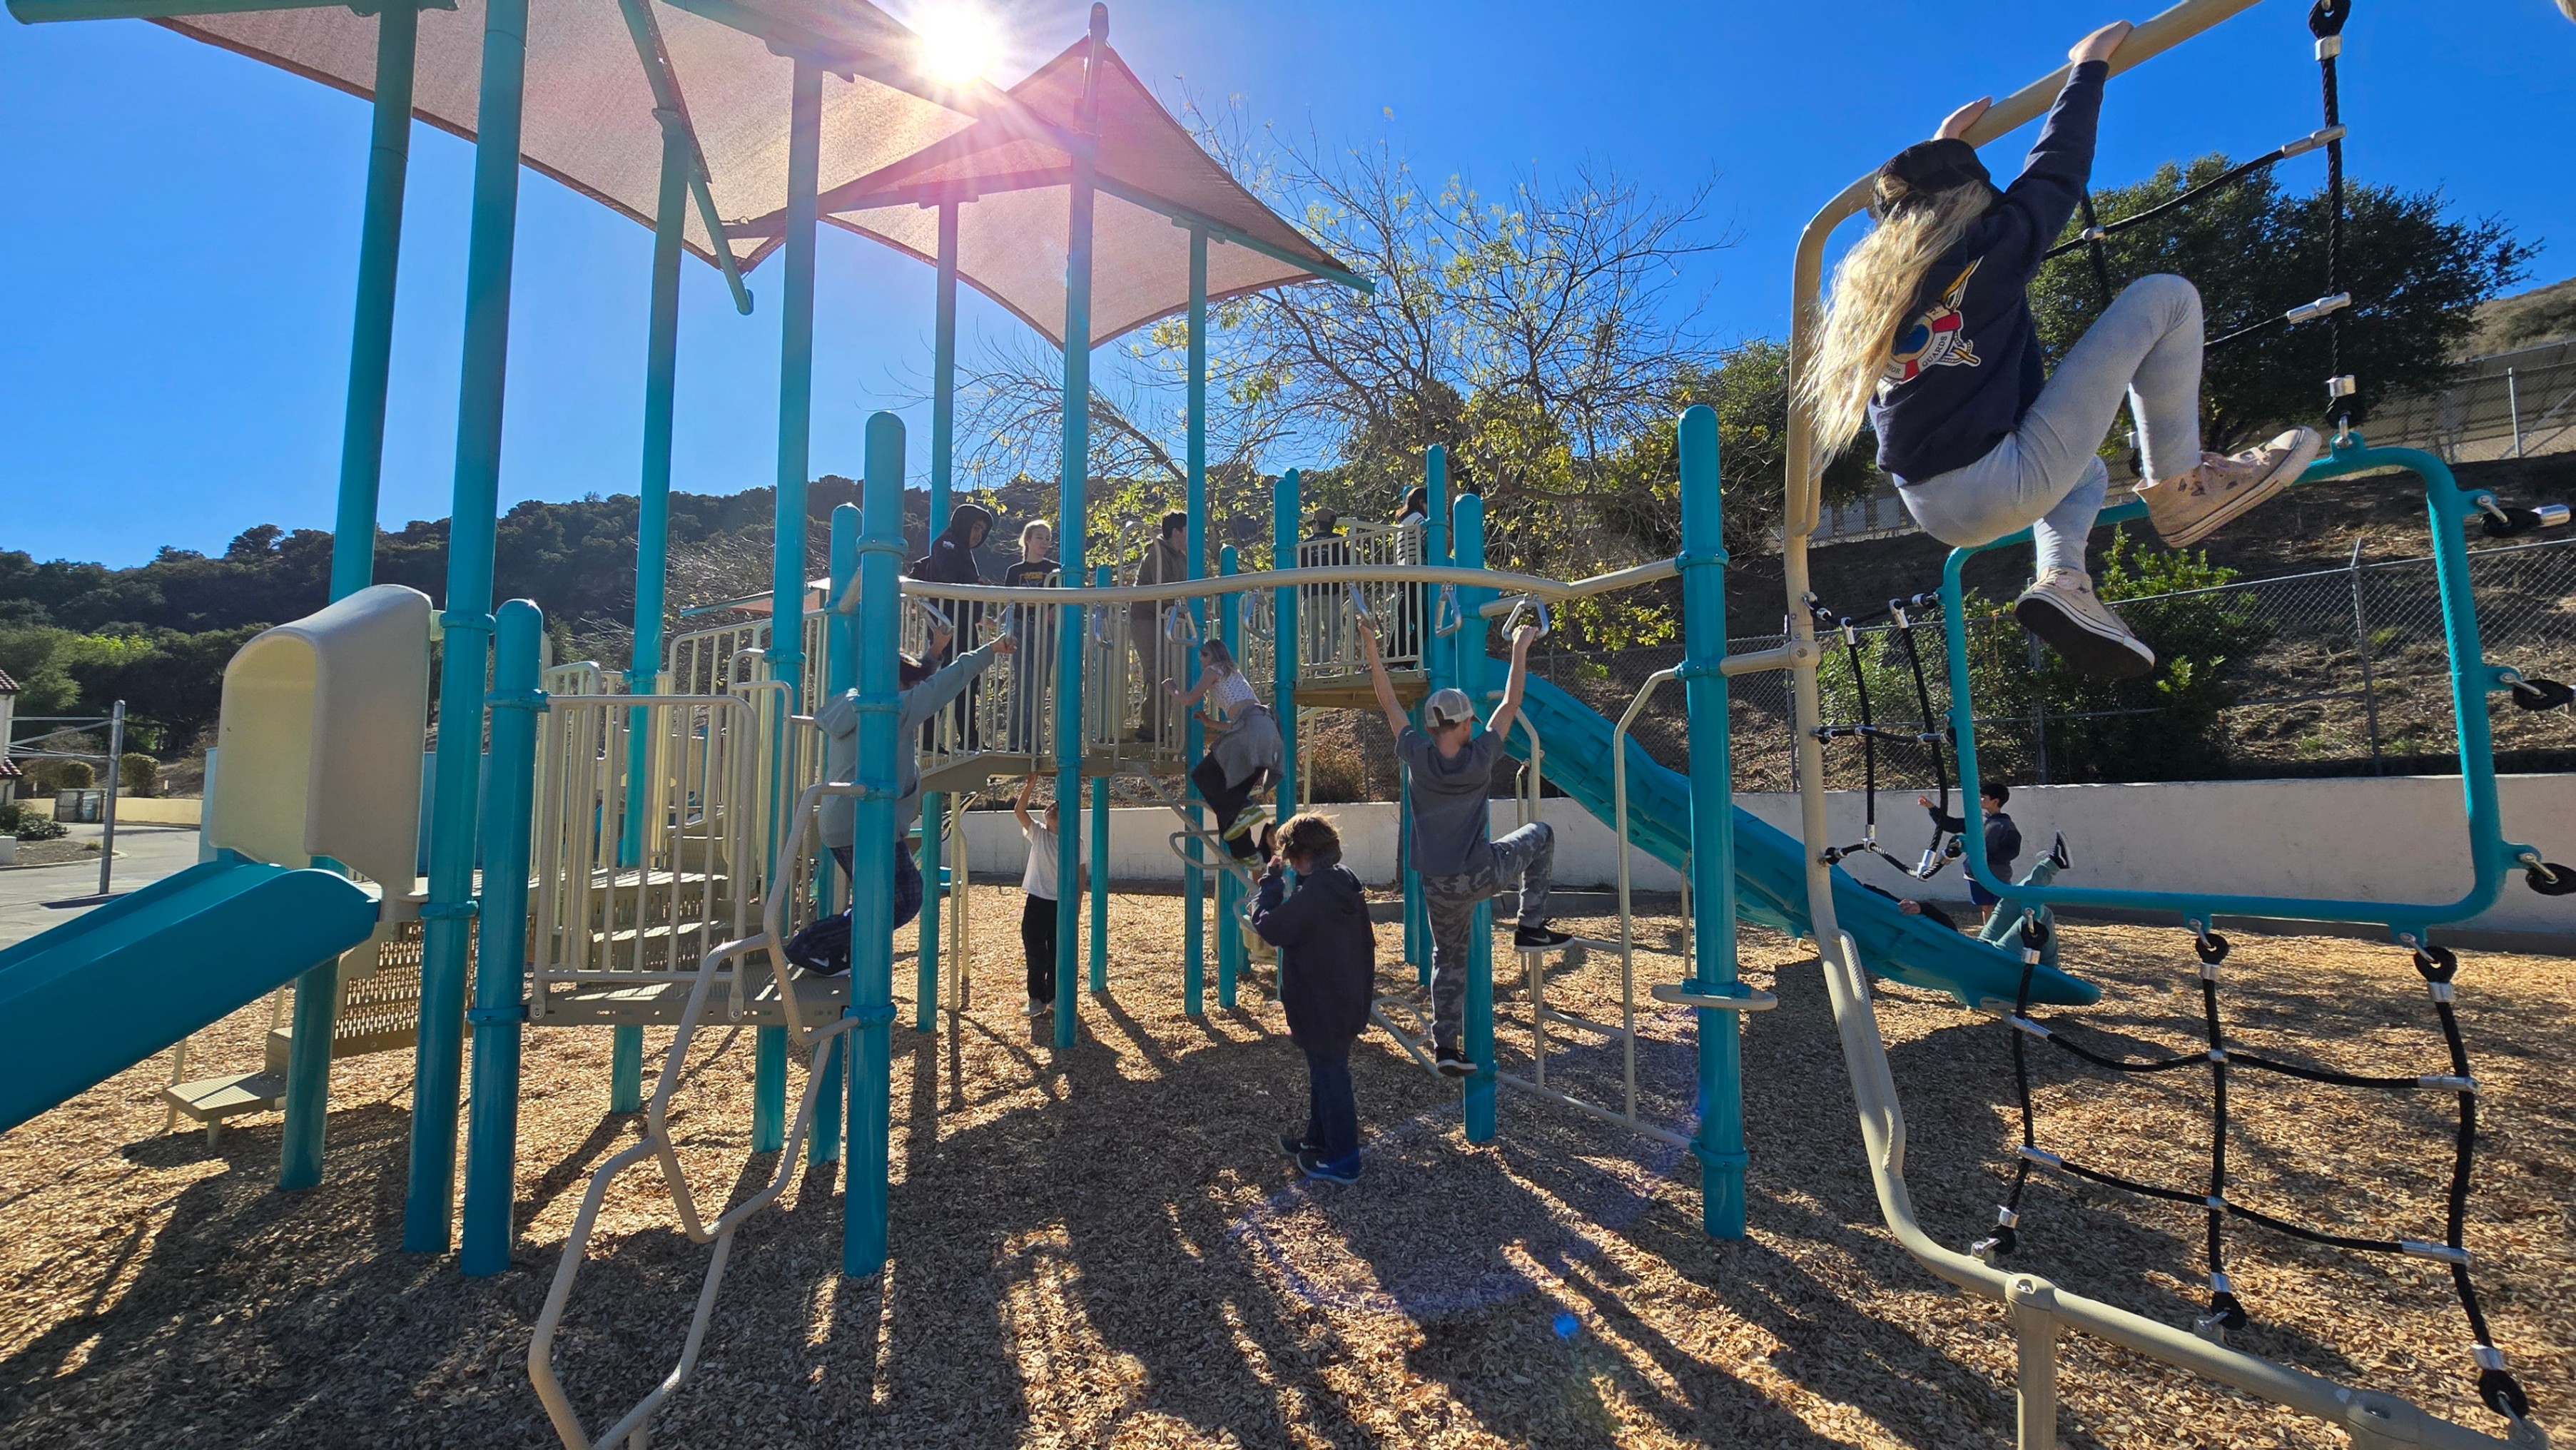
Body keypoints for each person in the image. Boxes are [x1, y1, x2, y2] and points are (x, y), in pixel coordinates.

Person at [1799, 19, 2320, 683]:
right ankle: (2183, 486)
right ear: (1971, 203)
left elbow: (1924, 202)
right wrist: (2087, 69)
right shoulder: (1989, 246)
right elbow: (2056, 172)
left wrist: (1942, 147)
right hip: (2000, 477)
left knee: (2087, 475)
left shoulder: (1876, 298)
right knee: (2166, 298)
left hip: (1930, 507)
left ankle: (2064, 581)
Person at [1360, 616, 1570, 1078]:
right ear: (1459, 726)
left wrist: (1372, 648)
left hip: (1437, 886)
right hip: (1480, 873)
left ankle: (1446, 1048)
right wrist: (1520, 646)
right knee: (1541, 835)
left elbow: (1389, 702)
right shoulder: (1480, 758)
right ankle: (1529, 925)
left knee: (1447, 960)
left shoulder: (1417, 755)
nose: (1475, 726)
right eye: (1470, 721)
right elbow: (1513, 701)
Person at [811, 627, 1011, 963]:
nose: (916, 692)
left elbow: (915, 679)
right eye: (911, 685)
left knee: (876, 900)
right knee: (904, 899)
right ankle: (810, 945)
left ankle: (836, 954)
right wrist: (990, 650)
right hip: (868, 820)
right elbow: (941, 686)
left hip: (843, 818)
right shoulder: (893, 711)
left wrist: (933, 653)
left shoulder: (854, 701)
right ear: (900, 686)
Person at [1251, 811, 1375, 1185]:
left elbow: (1271, 927)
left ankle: (1344, 1160)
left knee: (1332, 1077)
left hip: (1323, 1005)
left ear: (1303, 857)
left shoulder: (1319, 892)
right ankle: (1317, 1141)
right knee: (1324, 1074)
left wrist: (1269, 889)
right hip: (1345, 999)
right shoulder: (1341, 882)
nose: (1289, 864)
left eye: (1290, 858)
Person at [1168, 638, 1282, 860]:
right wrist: (1211, 723)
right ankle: (1247, 853)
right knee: (1228, 793)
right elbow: (1240, 721)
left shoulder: (1213, 670)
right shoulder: (1234, 675)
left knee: (1204, 776)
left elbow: (1189, 699)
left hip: (1251, 730)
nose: (1200, 661)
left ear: (1210, 656)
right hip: (1266, 731)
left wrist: (1172, 689)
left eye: (1202, 655)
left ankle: (1246, 807)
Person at [912, 502, 995, 748]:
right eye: (975, 527)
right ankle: (928, 740)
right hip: (947, 627)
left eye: (982, 530)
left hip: (964, 625)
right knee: (943, 680)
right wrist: (975, 581)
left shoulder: (963, 551)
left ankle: (968, 738)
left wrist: (980, 612)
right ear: (963, 523)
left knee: (968, 679)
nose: (978, 534)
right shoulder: (946, 543)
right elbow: (949, 576)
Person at [1011, 772, 1086, 1017]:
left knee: (1057, 951)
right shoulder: (1039, 833)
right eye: (1051, 806)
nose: (1051, 809)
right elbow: (1019, 812)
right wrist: (1030, 785)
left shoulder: (1075, 842)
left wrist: (1077, 905)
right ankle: (1037, 998)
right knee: (1035, 951)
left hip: (1061, 903)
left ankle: (1054, 996)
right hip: (1037, 900)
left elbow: (1080, 875)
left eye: (1057, 809)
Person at [1919, 783, 2021, 927]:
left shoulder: (2006, 825)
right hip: (1975, 873)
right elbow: (1951, 825)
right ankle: (1989, 935)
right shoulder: (1978, 822)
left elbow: (2012, 851)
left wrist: (1985, 857)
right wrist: (1932, 808)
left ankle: (2000, 934)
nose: (1980, 800)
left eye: (1984, 797)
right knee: (1986, 906)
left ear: (1995, 801)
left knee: (2000, 906)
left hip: (1997, 874)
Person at [1128, 512, 1190, 743]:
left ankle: (1160, 724)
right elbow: (1163, 593)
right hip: (1147, 619)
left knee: (1172, 670)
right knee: (1158, 671)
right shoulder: (1157, 553)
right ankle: (1151, 727)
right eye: (1189, 531)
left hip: (1167, 619)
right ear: (1177, 531)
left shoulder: (1181, 557)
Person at [1003, 521, 1057, 749]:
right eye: (1039, 537)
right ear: (1028, 540)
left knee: (1040, 684)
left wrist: (1054, 607)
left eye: (1047, 538)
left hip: (1046, 629)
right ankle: (1015, 742)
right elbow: (1009, 601)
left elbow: (1064, 596)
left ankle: (1034, 741)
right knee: (1023, 682)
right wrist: (997, 623)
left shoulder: (1055, 570)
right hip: (1020, 626)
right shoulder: (1014, 571)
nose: (1044, 542)